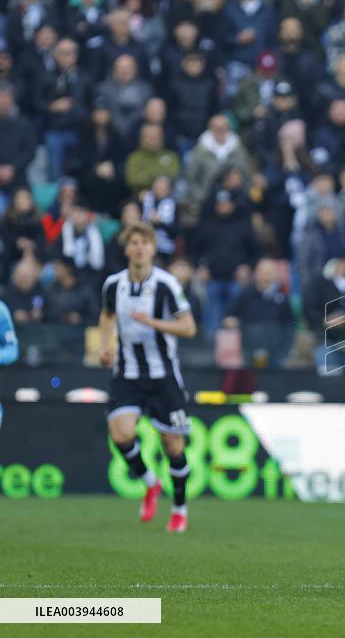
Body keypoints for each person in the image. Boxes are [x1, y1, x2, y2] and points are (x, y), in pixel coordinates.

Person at [98, 223, 197, 533]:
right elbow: (106, 314)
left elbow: (189, 327)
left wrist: (153, 322)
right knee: (121, 434)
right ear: (127, 249)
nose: (139, 248)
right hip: (127, 372)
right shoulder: (114, 284)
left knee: (173, 446)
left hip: (163, 375)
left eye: (145, 243)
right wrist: (105, 345)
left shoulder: (166, 284)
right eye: (134, 243)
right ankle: (150, 483)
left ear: (153, 249)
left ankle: (179, 508)